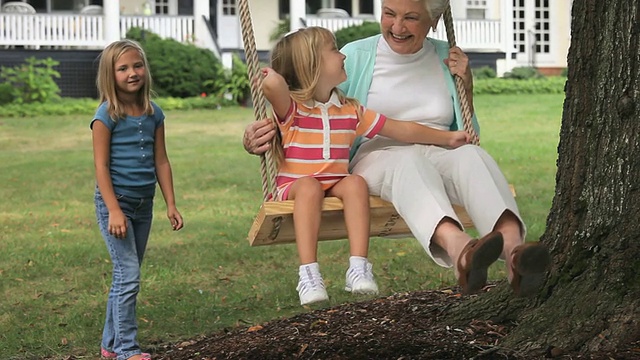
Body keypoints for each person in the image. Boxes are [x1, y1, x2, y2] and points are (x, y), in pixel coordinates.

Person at [243, 0, 550, 298]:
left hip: (440, 148)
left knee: (473, 156)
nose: (398, 26)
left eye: (411, 18)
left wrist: (465, 84)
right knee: (407, 160)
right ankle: (462, 252)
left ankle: (516, 256)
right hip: (377, 157)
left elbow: (468, 133)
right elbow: (309, 107)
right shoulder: (355, 56)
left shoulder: (448, 57)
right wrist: (261, 136)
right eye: (390, 13)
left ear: (433, 21)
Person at [262, 26, 473, 305]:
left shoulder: (350, 110)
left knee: (356, 183)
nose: (343, 55)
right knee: (311, 187)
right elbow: (275, 89)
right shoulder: (294, 110)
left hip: (334, 181)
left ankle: (359, 267)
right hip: (296, 186)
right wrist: (270, 75)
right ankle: (309, 274)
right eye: (334, 51)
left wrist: (447, 137)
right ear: (311, 65)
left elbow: (401, 130)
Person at [92, 39, 184, 360]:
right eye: (123, 68)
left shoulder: (153, 113)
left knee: (125, 276)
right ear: (110, 74)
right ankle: (127, 349)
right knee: (128, 276)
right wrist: (114, 211)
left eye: (137, 65)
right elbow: (101, 167)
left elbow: (162, 161)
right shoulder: (106, 116)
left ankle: (109, 345)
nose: (132, 73)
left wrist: (171, 203)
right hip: (115, 205)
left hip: (144, 206)